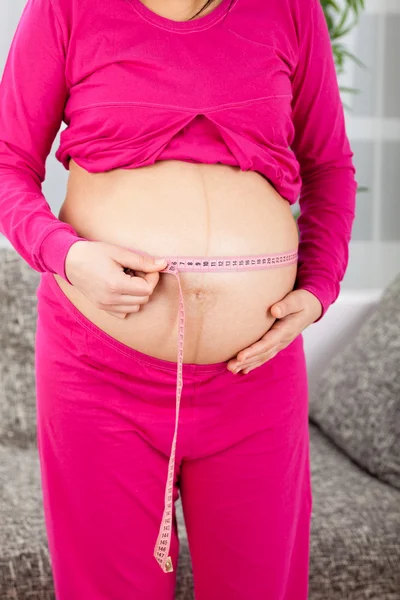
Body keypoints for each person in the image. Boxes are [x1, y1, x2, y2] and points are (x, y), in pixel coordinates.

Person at [0, 0, 358, 598]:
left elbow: (330, 167)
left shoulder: (290, 10)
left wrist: (319, 286)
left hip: (255, 372)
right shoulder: (66, 9)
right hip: (98, 376)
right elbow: (8, 161)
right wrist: (65, 254)